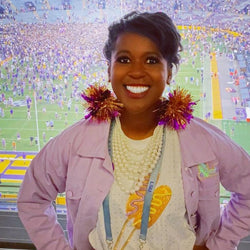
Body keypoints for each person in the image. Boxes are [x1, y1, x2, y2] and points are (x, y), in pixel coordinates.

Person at [17, 11, 250, 250]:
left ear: (169, 72)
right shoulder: (75, 142)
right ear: (109, 69)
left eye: (151, 60)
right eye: (124, 59)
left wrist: (216, 245)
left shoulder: (203, 141)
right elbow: (32, 200)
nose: (136, 71)